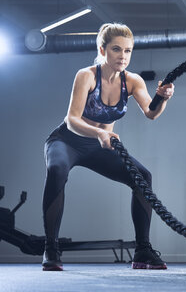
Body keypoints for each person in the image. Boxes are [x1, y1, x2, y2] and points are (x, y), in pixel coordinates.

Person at [41, 23, 174, 271]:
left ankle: (143, 250)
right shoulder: (87, 75)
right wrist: (101, 132)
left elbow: (151, 113)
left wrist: (163, 98)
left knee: (142, 177)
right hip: (67, 140)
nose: (123, 56)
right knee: (57, 169)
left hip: (101, 145)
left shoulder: (132, 81)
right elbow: (72, 119)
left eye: (127, 51)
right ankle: (51, 248)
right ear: (102, 49)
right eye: (116, 50)